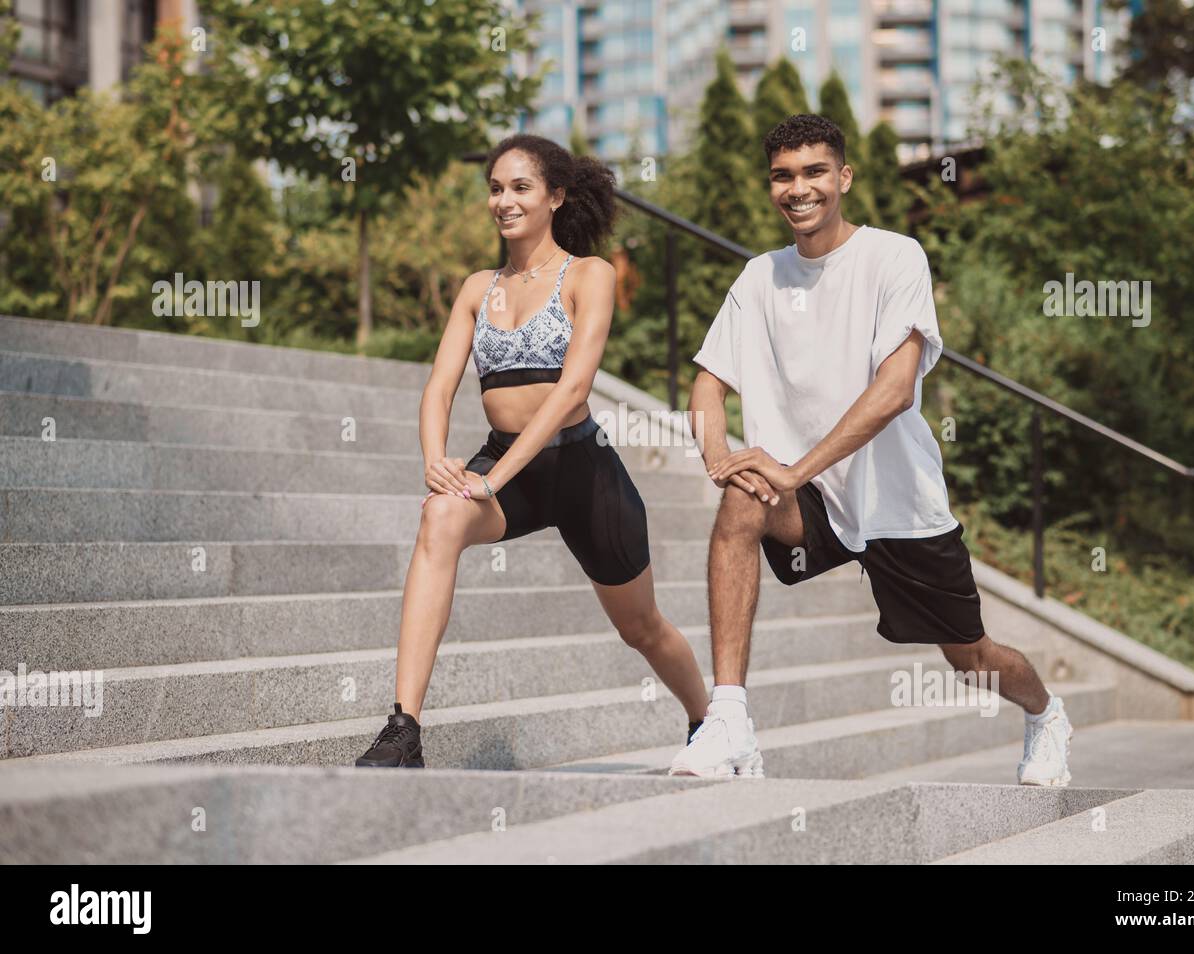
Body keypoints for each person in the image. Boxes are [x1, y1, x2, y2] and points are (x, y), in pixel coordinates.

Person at [668, 114, 1073, 785]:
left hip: (895, 502)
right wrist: (720, 459)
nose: (799, 188)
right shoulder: (758, 278)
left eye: (814, 172)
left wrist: (794, 467)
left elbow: (893, 391)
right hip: (811, 500)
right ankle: (730, 721)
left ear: (844, 177)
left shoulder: (894, 256)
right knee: (744, 498)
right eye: (783, 175)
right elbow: (707, 384)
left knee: (968, 657)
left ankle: (1046, 713)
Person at [356, 134, 710, 767]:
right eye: (495, 188)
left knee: (641, 628)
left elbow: (574, 386)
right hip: (503, 459)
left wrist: (492, 481)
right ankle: (404, 727)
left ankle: (706, 720)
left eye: (520, 187)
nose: (504, 200)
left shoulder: (589, 275)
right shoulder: (475, 288)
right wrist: (438, 461)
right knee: (438, 516)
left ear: (556, 196)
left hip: (582, 469)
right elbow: (438, 388)